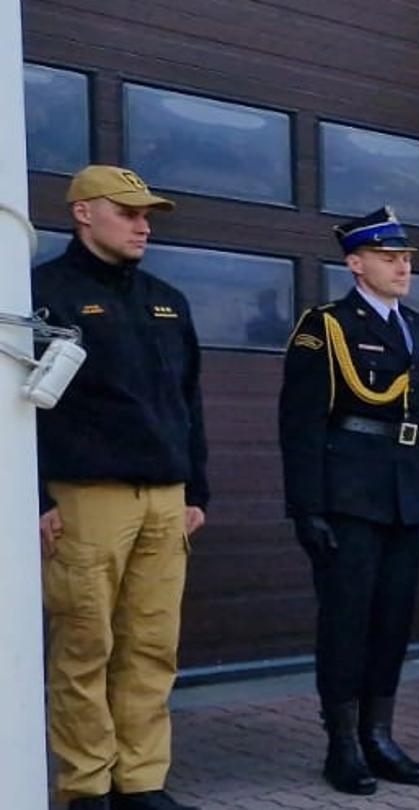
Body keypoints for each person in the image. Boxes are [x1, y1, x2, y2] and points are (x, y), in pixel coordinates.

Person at [35, 165, 206, 810]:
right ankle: (86, 787)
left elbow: (189, 402)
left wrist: (198, 492)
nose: (143, 226)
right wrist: (35, 499)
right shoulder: (45, 293)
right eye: (128, 213)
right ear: (83, 213)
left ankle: (141, 783)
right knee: (84, 647)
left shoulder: (167, 299)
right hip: (86, 498)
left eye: (148, 217)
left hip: (165, 500)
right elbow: (20, 408)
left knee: (152, 646)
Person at [280, 207, 419, 795]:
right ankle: (342, 744)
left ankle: (380, 734)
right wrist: (307, 508)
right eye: (389, 257)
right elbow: (299, 424)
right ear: (355, 263)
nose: (402, 267)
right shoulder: (325, 327)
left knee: (393, 620)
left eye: (406, 259)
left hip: (404, 495)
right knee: (346, 622)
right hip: (347, 493)